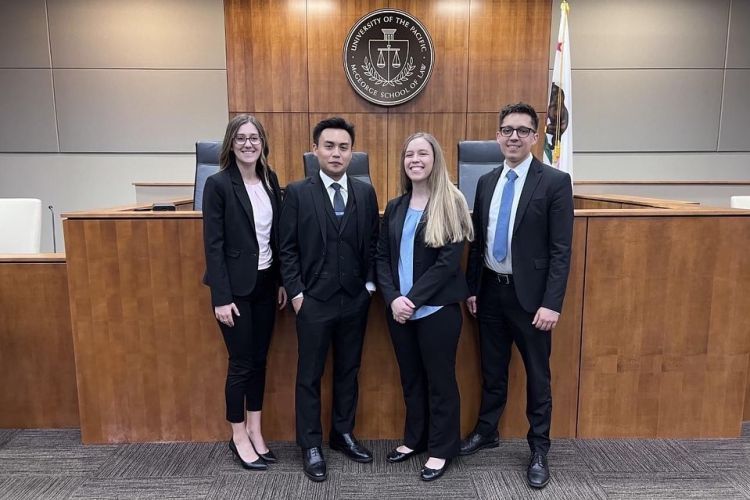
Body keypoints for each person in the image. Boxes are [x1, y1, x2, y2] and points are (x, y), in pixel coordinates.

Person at [460, 102, 574, 489]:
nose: (513, 137)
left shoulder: (555, 182)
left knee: (537, 378)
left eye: (522, 131)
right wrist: (474, 288)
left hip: (532, 301)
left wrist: (552, 303)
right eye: (507, 130)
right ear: (497, 136)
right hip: (491, 293)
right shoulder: (486, 181)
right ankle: (487, 431)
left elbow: (561, 250)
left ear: (534, 137)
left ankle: (539, 448)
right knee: (492, 370)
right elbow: (478, 244)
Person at [279, 117, 380, 482]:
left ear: (352, 152)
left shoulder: (366, 193)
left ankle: (342, 433)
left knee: (348, 371)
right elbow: (286, 249)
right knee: (310, 374)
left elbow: (373, 244)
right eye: (329, 146)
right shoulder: (297, 193)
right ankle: (310, 444)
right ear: (315, 150)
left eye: (343, 147)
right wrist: (297, 294)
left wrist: (369, 287)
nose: (336, 153)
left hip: (354, 299)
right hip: (314, 302)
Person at [375, 133, 473, 481]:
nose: (415, 159)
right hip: (399, 311)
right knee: (411, 378)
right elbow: (381, 258)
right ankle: (415, 439)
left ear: (435, 160)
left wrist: (412, 300)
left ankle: (441, 449)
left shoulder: (451, 202)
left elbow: (447, 264)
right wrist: (393, 300)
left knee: (440, 381)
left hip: (436, 312)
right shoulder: (397, 206)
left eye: (422, 153)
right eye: (409, 155)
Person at [202, 114, 287, 471]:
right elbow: (214, 245)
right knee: (240, 364)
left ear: (263, 143)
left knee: (260, 360)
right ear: (231, 144)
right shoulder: (218, 184)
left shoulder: (270, 179)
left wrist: (282, 280)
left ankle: (256, 428)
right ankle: (238, 435)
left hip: (267, 285)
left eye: (254, 138)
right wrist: (221, 297)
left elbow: (278, 236)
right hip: (235, 291)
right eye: (241, 138)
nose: (248, 144)